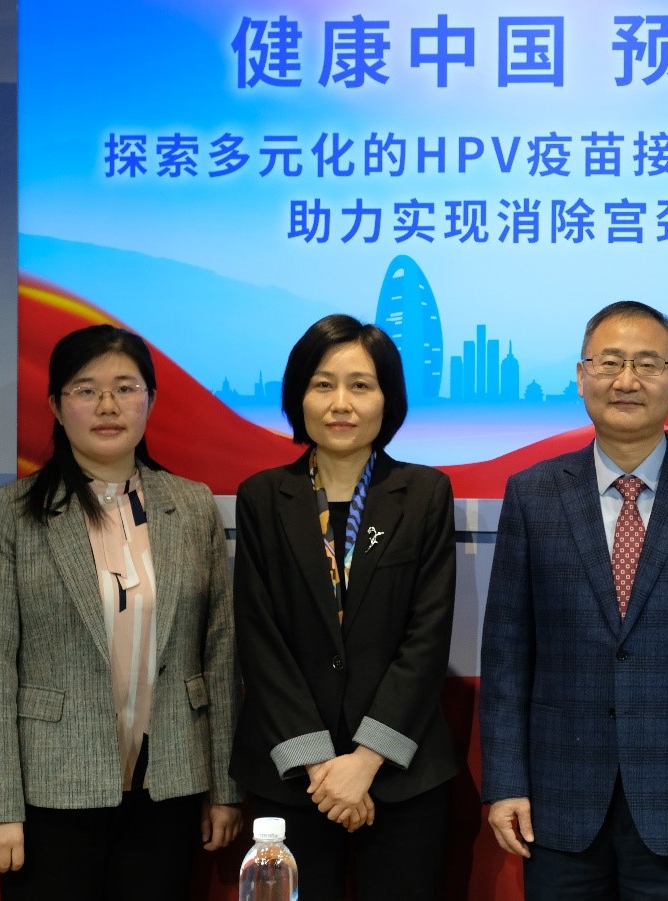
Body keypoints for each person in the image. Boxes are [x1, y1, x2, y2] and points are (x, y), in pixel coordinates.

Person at [479, 301, 668, 901]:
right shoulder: (533, 494)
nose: (626, 380)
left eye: (647, 363)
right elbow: (507, 654)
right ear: (581, 374)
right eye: (610, 362)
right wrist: (505, 781)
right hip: (558, 798)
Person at [0, 325, 241, 900]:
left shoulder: (192, 506)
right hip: (51, 790)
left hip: (169, 786)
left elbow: (220, 656)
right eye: (86, 390)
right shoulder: (12, 513)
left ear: (150, 401)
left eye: (125, 388)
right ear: (56, 406)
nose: (108, 406)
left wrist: (225, 788)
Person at [230, 314, 457, 901]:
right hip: (294, 779)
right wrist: (320, 767)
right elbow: (259, 637)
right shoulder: (263, 497)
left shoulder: (425, 493)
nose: (341, 403)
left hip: (402, 773)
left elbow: (428, 635)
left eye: (361, 385)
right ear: (298, 395)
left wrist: (365, 761)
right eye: (323, 384)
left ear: (388, 399)